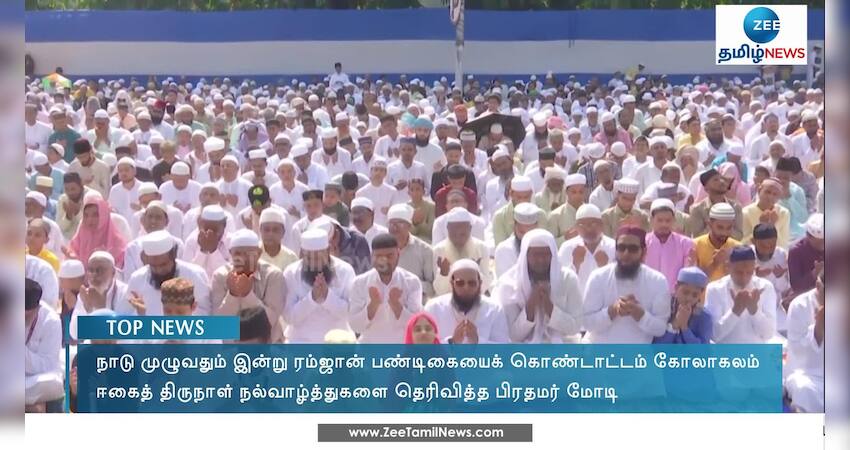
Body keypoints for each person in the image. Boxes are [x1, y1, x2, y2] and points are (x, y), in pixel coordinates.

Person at [582, 226, 670, 343]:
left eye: (633, 249)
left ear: (643, 252)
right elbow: (587, 323)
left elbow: (660, 328)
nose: (626, 253)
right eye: (621, 248)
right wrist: (612, 310)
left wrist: (639, 314)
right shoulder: (598, 277)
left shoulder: (657, 281)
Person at [496, 229, 583, 343]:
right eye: (536, 255)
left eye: (546, 255)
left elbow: (575, 327)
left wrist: (549, 307)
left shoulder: (568, 279)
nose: (541, 260)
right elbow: (513, 335)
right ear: (526, 255)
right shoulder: (509, 283)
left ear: (553, 255)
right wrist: (532, 303)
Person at [211, 229, 286, 342]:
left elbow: (270, 320)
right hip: (232, 346)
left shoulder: (273, 275)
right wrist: (232, 295)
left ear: (259, 253)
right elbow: (219, 325)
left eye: (248, 254)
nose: (243, 259)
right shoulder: (220, 276)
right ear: (230, 253)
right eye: (237, 253)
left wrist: (247, 295)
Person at [282, 228, 355, 343]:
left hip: (336, 341)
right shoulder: (291, 272)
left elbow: (351, 313)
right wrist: (311, 299)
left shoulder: (345, 271)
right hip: (300, 341)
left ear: (328, 251)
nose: (314, 264)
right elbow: (289, 317)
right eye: (309, 258)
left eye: (318, 258)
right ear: (302, 253)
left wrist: (327, 297)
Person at [349, 233, 423, 343]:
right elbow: (355, 326)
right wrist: (373, 305)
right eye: (379, 256)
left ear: (398, 254)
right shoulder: (359, 283)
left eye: (389, 256)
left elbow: (416, 325)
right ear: (372, 256)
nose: (384, 261)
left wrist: (396, 304)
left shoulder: (412, 282)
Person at [123, 230, 211, 316]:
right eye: (153, 266)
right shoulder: (137, 279)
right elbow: (127, 315)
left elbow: (205, 313)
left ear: (174, 256)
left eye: (163, 265)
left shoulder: (194, 275)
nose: (158, 270)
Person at [424, 259, 510, 343]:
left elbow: (503, 348)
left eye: (472, 283)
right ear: (452, 283)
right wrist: (451, 342)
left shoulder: (494, 310)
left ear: (480, 283)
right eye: (460, 283)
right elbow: (424, 346)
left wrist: (478, 342)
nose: (466, 288)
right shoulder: (434, 308)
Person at [704, 246, 777, 343]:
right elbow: (714, 335)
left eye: (749, 272)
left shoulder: (765, 287)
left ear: (754, 267)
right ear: (728, 267)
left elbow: (769, 334)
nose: (744, 278)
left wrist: (754, 311)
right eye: (739, 272)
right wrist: (735, 311)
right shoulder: (715, 289)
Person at [784, 271, 824, 412]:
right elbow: (796, 352)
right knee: (804, 390)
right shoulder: (800, 305)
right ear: (818, 286)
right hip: (807, 374)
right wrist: (818, 329)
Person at [69, 251, 129, 341]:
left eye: (100, 270)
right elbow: (75, 333)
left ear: (113, 272)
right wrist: (88, 311)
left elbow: (124, 332)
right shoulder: (86, 294)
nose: (94, 274)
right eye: (91, 270)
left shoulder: (126, 293)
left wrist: (98, 309)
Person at [432, 208, 491, 296]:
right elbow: (439, 291)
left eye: (462, 234)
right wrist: (443, 274)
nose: (458, 239)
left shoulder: (482, 248)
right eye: (454, 234)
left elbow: (485, 287)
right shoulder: (438, 250)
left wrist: (476, 271)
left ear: (470, 229)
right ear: (448, 229)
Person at [25, 279, 64, 412]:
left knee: (53, 382)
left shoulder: (51, 321)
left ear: (38, 308)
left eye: (26, 316)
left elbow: (47, 366)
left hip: (32, 381)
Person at [643, 199, 694, 293]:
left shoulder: (685, 243)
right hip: (647, 294)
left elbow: (687, 273)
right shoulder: (643, 242)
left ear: (674, 220)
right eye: (660, 220)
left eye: (668, 220)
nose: (664, 224)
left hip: (674, 296)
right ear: (651, 220)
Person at [652, 267, 713, 344]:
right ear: (676, 288)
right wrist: (675, 324)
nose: (689, 298)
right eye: (685, 292)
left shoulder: (704, 316)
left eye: (695, 295)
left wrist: (684, 327)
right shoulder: (663, 307)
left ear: (700, 295)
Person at [387, 204, 435, 300]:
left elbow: (431, 286)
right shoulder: (380, 248)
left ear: (409, 226)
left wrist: (408, 284)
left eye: (399, 223)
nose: (394, 227)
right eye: (391, 223)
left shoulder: (425, 250)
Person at [751, 223, 792, 331]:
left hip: (774, 307)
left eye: (772, 246)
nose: (767, 250)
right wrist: (755, 276)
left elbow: (783, 289)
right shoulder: (747, 254)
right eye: (763, 246)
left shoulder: (781, 254)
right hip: (750, 307)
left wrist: (779, 276)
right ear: (753, 241)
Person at [67, 195, 126, 269]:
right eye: (86, 215)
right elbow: (72, 253)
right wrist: (73, 259)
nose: (90, 220)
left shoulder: (116, 242)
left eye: (95, 215)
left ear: (104, 215)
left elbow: (121, 269)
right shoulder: (81, 235)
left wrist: (105, 257)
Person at [687, 168, 744, 240]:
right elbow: (698, 236)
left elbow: (739, 235)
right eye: (715, 180)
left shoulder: (736, 207)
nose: (722, 182)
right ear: (706, 188)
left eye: (722, 179)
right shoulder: (697, 210)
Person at [693, 202, 741, 282]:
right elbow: (693, 282)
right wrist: (714, 264)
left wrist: (731, 271)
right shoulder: (695, 245)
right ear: (710, 224)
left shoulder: (738, 248)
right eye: (720, 227)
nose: (724, 233)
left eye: (729, 228)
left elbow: (742, 283)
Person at [494, 202, 542, 278]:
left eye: (530, 233)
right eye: (522, 232)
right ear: (514, 227)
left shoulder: (545, 248)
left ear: (537, 227)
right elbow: (506, 281)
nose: (526, 237)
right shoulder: (504, 250)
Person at [182, 205, 230, 278]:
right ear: (200, 224)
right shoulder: (192, 241)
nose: (210, 233)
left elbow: (227, 274)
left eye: (214, 229)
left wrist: (213, 251)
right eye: (207, 228)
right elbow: (188, 273)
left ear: (224, 225)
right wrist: (203, 251)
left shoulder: (231, 242)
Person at [741, 178, 791, 248]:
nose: (770, 197)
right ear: (759, 191)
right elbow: (743, 243)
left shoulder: (784, 213)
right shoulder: (745, 213)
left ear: (779, 197)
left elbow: (783, 244)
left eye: (775, 194)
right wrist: (761, 227)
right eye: (767, 192)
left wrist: (773, 226)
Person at [355, 157, 401, 227]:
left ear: (385, 173)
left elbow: (396, 212)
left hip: (386, 228)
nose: (378, 173)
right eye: (376, 170)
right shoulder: (361, 192)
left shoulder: (392, 191)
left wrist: (390, 211)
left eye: (381, 170)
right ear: (371, 171)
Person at [788, 213, 824, 299]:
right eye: (819, 242)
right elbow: (797, 287)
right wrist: (815, 273)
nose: (823, 245)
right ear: (808, 236)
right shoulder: (796, 252)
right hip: (806, 299)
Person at [258, 208, 298, 272]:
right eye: (266, 230)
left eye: (275, 230)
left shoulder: (291, 258)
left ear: (283, 232)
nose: (270, 234)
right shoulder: (253, 255)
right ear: (260, 231)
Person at [407, 178, 435, 243]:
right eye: (412, 190)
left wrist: (420, 222)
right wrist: (415, 223)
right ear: (408, 192)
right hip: (409, 241)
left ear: (423, 191)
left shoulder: (431, 206)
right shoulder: (405, 207)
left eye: (418, 189)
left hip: (427, 241)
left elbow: (430, 230)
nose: (415, 193)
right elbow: (406, 231)